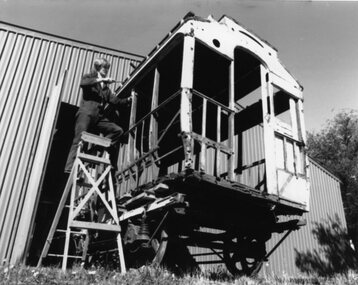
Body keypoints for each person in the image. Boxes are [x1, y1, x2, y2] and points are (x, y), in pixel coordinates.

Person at [64, 57, 132, 174]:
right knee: (79, 140)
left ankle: (94, 150)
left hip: (98, 118)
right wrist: (103, 79)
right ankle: (69, 167)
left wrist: (128, 99)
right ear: (98, 67)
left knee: (118, 131)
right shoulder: (88, 78)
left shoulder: (105, 89)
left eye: (107, 68)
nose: (106, 69)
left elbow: (115, 101)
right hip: (85, 114)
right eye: (104, 67)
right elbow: (83, 83)